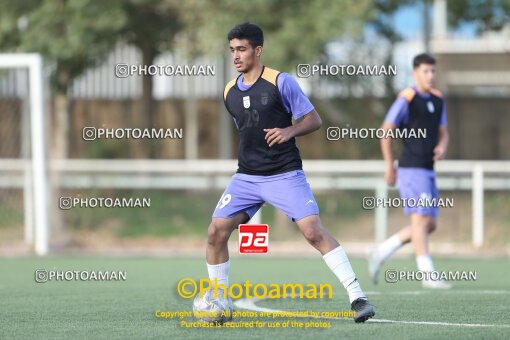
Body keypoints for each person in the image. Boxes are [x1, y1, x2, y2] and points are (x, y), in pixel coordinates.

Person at [198, 22, 375, 323]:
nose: (236, 56)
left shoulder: (281, 82)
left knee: (313, 232)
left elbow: (314, 119)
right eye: (232, 51)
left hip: (284, 174)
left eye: (241, 49)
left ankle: (358, 297)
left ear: (258, 49)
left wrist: (288, 131)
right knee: (215, 233)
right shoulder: (229, 91)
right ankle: (220, 300)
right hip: (247, 178)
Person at [369, 53, 451, 289]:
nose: (430, 76)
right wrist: (389, 166)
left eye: (433, 71)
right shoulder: (406, 98)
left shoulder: (438, 99)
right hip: (410, 169)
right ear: (415, 73)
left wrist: (442, 146)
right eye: (425, 71)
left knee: (428, 225)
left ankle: (380, 252)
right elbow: (386, 130)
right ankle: (428, 274)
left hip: (428, 169)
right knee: (420, 219)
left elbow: (444, 131)